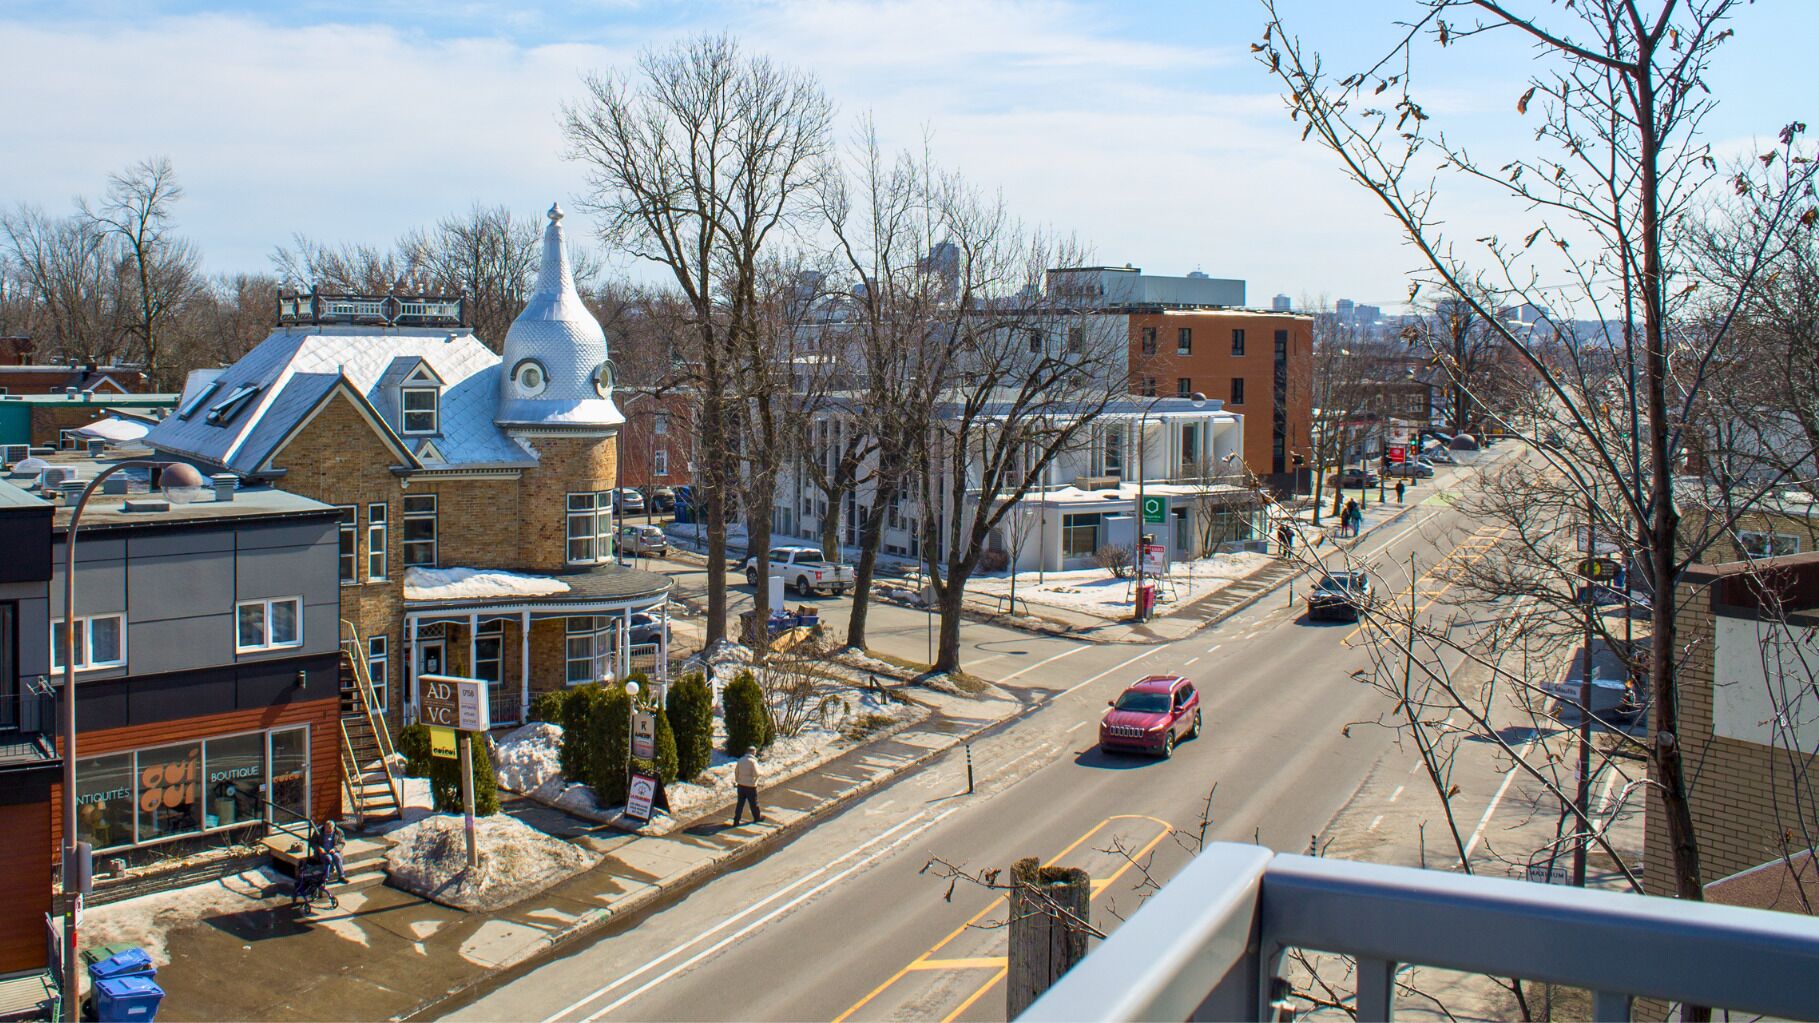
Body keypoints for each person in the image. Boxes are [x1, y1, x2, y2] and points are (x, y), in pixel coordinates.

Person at [732, 748, 763, 825]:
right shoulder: (753, 762)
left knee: (740, 803)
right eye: (754, 752)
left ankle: (736, 820)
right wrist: (761, 773)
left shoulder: (741, 760)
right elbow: (756, 773)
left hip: (741, 785)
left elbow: (736, 772)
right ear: (752, 752)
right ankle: (757, 818)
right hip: (750, 786)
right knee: (753, 803)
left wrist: (737, 780)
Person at [315, 819, 345, 883]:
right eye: (327, 830)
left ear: (333, 828)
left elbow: (342, 843)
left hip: (334, 850)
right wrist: (319, 848)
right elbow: (312, 842)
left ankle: (341, 876)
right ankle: (326, 877)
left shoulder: (339, 832)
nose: (328, 832)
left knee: (337, 857)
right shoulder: (319, 832)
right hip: (324, 851)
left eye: (330, 830)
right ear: (325, 827)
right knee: (328, 858)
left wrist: (334, 849)